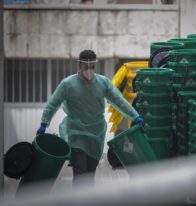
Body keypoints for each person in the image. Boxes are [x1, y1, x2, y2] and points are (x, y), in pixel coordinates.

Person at [36, 50, 144, 188]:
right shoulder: (67, 84)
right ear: (79, 65)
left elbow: (119, 101)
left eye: (92, 66)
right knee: (80, 171)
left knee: (90, 173)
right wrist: (44, 122)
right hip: (76, 133)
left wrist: (134, 116)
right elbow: (53, 104)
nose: (89, 70)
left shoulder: (103, 83)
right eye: (86, 66)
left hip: (96, 134)